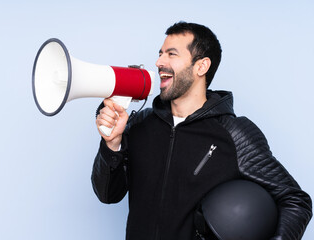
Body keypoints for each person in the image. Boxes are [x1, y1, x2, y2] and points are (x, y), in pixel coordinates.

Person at [92, 21, 312, 240]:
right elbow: (107, 195)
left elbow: (296, 201)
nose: (159, 62)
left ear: (201, 66)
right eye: (160, 54)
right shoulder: (139, 124)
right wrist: (112, 144)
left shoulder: (234, 133)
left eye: (171, 54)